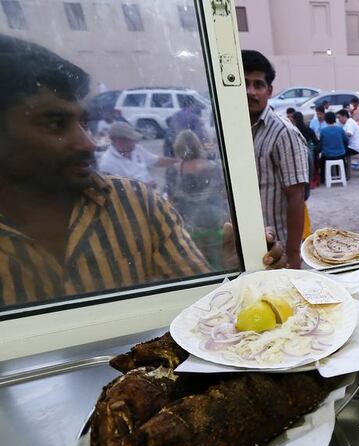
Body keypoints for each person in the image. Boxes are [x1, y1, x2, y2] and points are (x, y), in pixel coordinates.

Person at [0, 36, 285, 309]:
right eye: (55, 124)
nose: (86, 143)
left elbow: (203, 310)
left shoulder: (138, 205)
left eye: (83, 124)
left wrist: (230, 273)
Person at [242, 49, 309, 269]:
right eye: (244, 83)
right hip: (243, 244)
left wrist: (293, 257)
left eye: (258, 85)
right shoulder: (234, 131)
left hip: (275, 251)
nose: (251, 91)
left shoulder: (283, 133)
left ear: (269, 90)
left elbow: (297, 198)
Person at [165, 130, 229, 268]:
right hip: (216, 223)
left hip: (190, 227)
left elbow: (170, 202)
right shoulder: (215, 167)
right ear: (197, 145)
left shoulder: (173, 171)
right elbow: (224, 195)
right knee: (219, 262)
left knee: (198, 264)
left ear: (178, 148)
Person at [98, 122, 176, 190]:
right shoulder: (107, 163)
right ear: (118, 141)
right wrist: (143, 187)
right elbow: (117, 192)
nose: (134, 142)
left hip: (150, 194)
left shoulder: (136, 149)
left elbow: (157, 161)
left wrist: (180, 162)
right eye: (131, 139)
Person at [318, 111, 348, 181]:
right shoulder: (340, 129)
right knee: (343, 159)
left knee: (322, 161)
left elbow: (321, 143)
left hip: (328, 155)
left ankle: (323, 178)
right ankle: (344, 175)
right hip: (340, 154)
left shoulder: (323, 130)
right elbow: (346, 141)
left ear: (325, 120)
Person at [336, 109, 359, 177]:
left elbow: (349, 134)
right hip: (351, 146)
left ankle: (344, 174)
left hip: (355, 147)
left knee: (339, 153)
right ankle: (342, 172)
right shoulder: (346, 123)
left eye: (339, 117)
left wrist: (340, 134)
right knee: (339, 151)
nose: (339, 119)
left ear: (344, 116)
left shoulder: (350, 122)